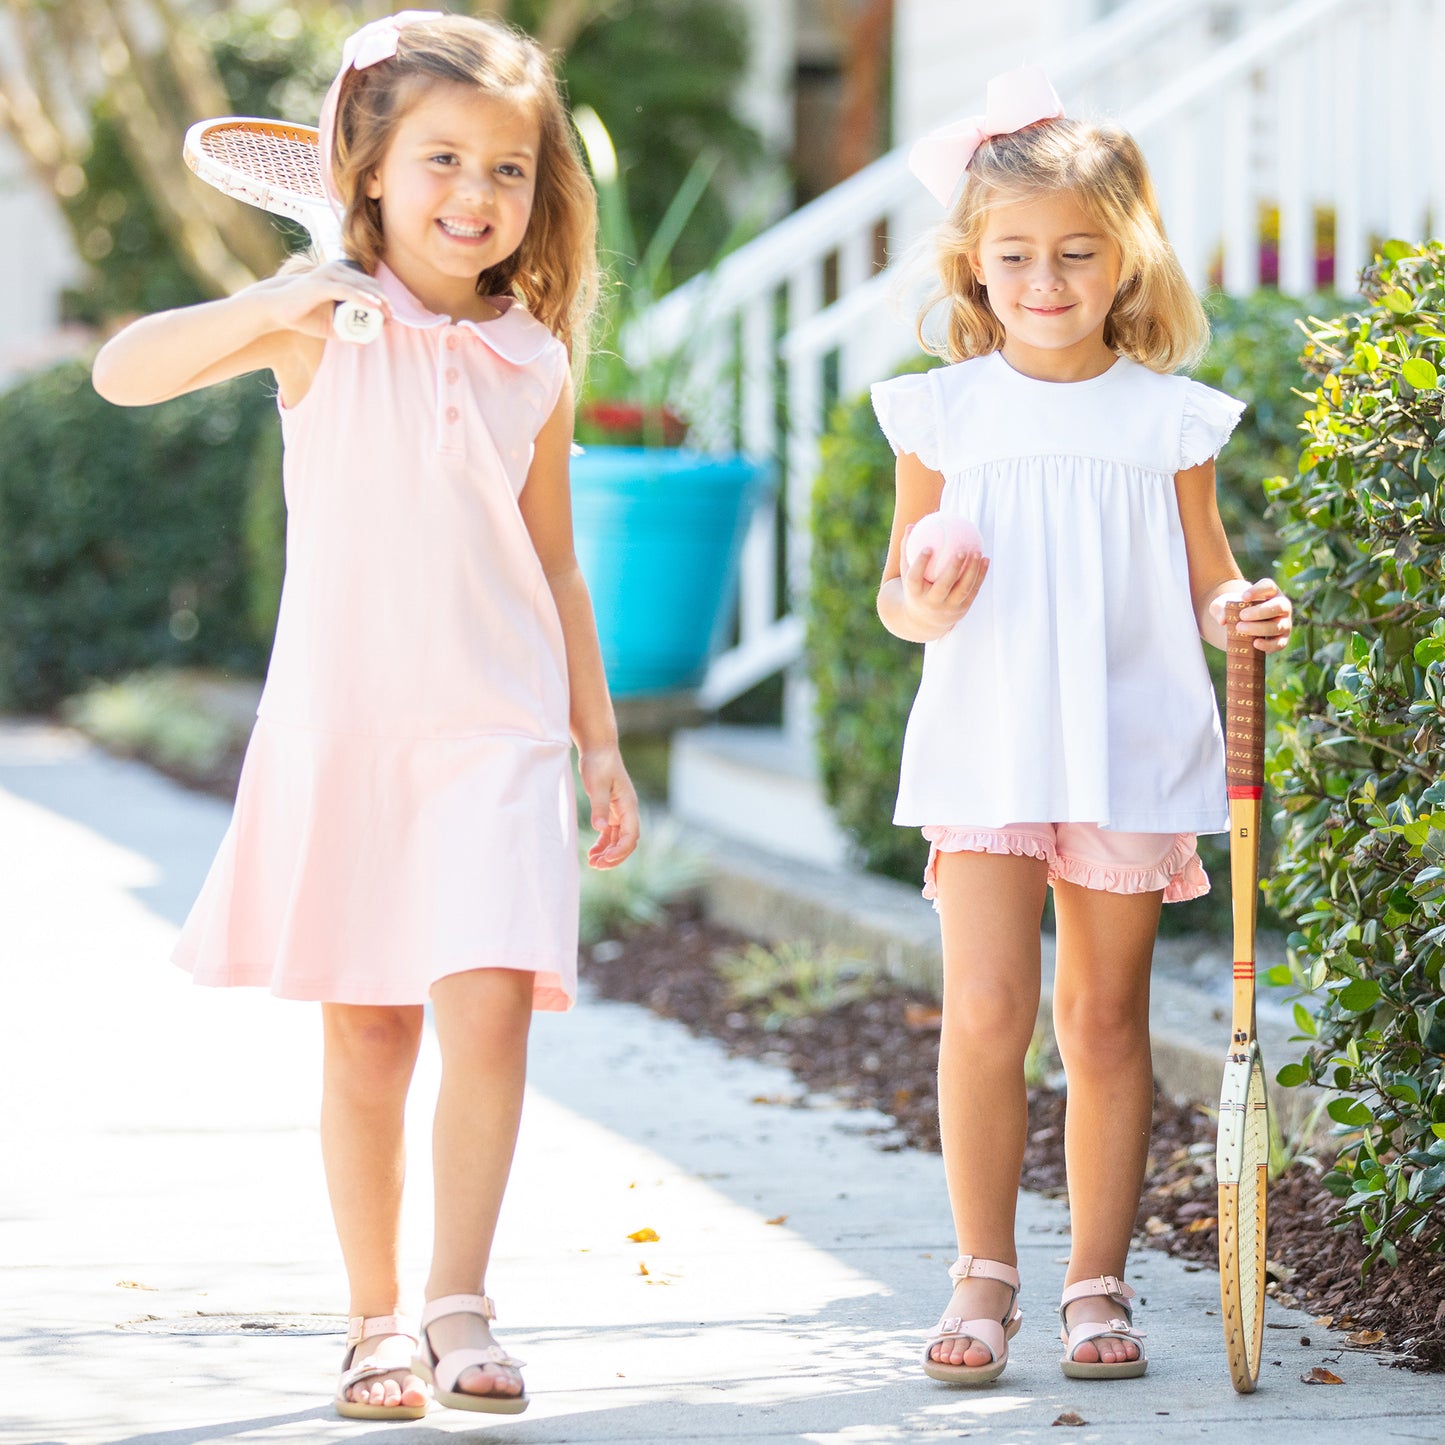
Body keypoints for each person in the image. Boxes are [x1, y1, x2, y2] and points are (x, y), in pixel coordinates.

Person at [92, 11, 639, 1420]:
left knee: (492, 1010)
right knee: (368, 1035)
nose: (476, 193)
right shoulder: (319, 328)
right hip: (351, 730)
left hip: (497, 730)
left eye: (509, 168)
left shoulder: (534, 357)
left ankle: (460, 1295)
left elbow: (556, 562)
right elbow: (124, 373)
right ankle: (375, 1317)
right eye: (443, 159)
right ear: (372, 173)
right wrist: (282, 298)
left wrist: (598, 738)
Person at [870, 67, 1292, 1386]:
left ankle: (1093, 1279)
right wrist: (924, 601)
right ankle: (980, 1274)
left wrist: (1241, 611)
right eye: (1013, 255)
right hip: (989, 742)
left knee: (1100, 1020)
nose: (1043, 279)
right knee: (986, 1010)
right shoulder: (940, 411)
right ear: (972, 265)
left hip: (1128, 744)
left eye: (1074, 253)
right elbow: (898, 598)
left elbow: (1204, 572)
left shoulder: (1167, 419)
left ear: (1126, 258)